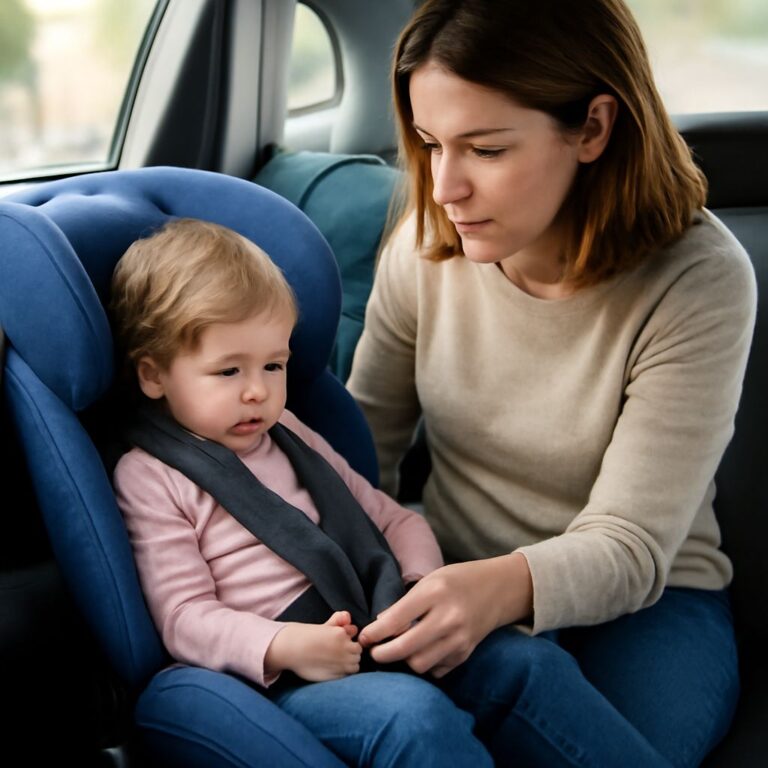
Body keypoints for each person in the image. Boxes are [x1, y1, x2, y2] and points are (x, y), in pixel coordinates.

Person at [348, 0, 758, 766]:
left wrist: (492, 594)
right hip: (448, 573)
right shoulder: (423, 245)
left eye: (486, 149)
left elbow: (631, 544)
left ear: (594, 129)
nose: (445, 188)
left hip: (650, 604)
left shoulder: (700, 280)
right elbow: (359, 451)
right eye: (432, 145)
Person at [109, 217, 494, 767]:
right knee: (413, 719)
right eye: (227, 371)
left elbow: (397, 521)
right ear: (154, 375)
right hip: (283, 677)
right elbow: (185, 616)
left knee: (524, 662)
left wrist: (418, 588)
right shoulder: (151, 477)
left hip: (375, 618)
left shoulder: (291, 434)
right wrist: (284, 645)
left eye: (273, 365)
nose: (257, 392)